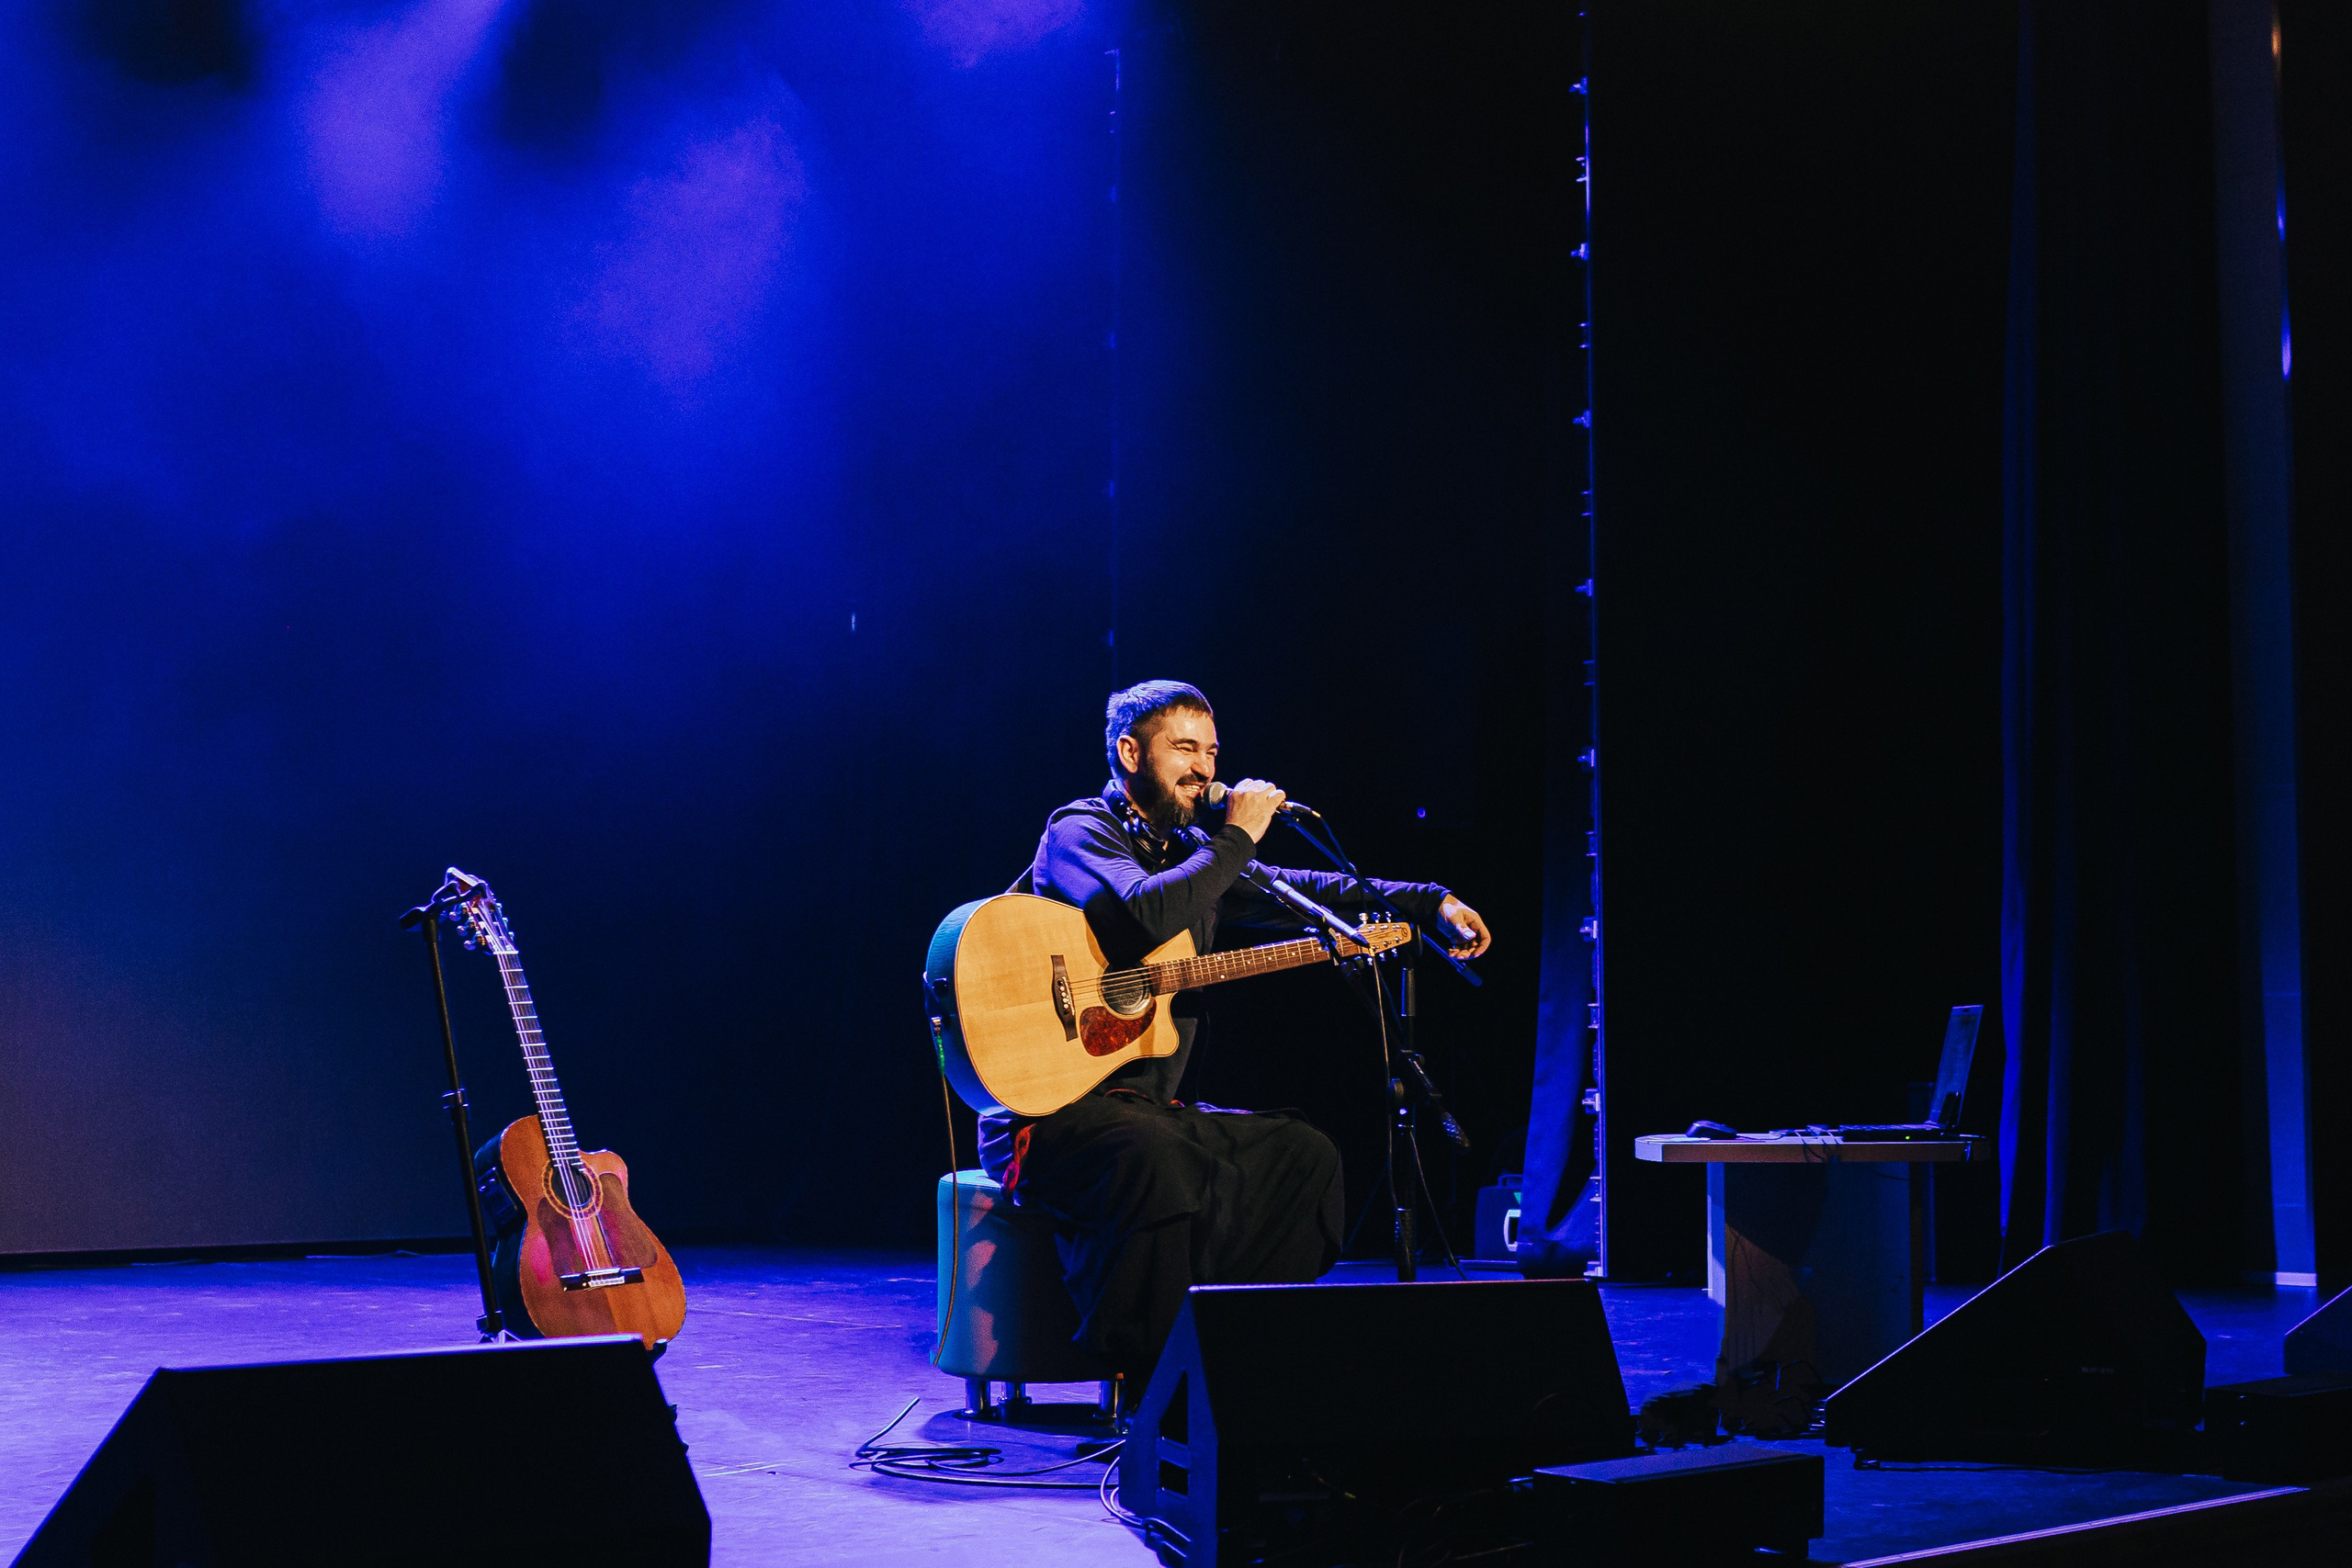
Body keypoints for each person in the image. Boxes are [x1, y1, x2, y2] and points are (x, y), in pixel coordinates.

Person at [978, 680, 1491, 1389]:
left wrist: (1431, 900)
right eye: (1183, 748)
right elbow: (1144, 915)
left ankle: (1234, 1359)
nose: (1204, 768)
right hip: (1050, 1114)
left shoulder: (1196, 850)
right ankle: (1150, 1380)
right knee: (1153, 1154)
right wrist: (1239, 835)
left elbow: (1310, 891)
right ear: (1130, 753)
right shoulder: (1079, 830)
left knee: (1303, 1155)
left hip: (1142, 1112)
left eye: (1212, 751)